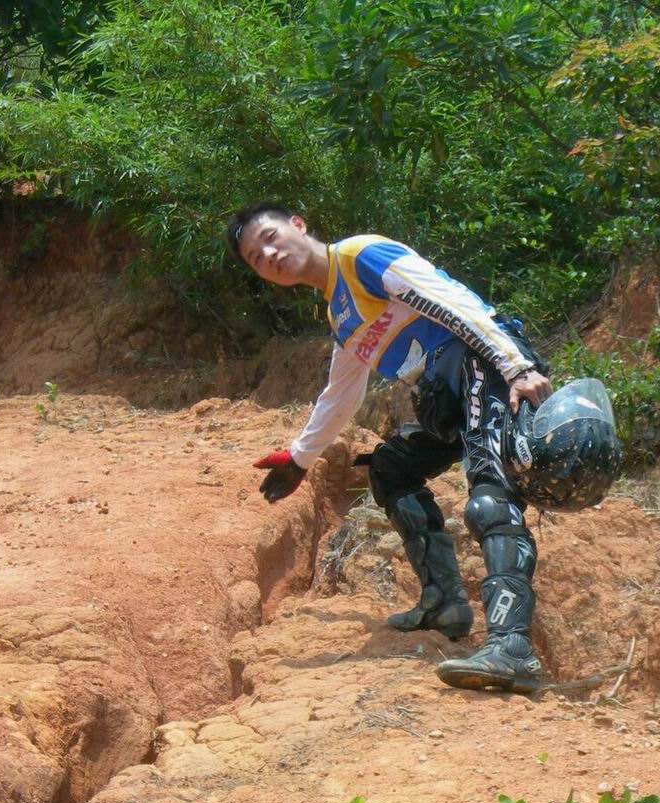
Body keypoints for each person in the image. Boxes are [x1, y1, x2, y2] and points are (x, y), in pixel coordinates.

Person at [226, 204, 553, 693]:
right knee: (391, 468)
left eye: (270, 238)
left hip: (483, 367)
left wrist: (515, 365)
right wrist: (300, 458)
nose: (269, 255)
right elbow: (342, 394)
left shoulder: (361, 257)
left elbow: (448, 301)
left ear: (298, 225)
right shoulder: (341, 314)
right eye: (256, 258)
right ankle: (444, 601)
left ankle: (512, 647)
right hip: (446, 400)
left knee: (489, 496)